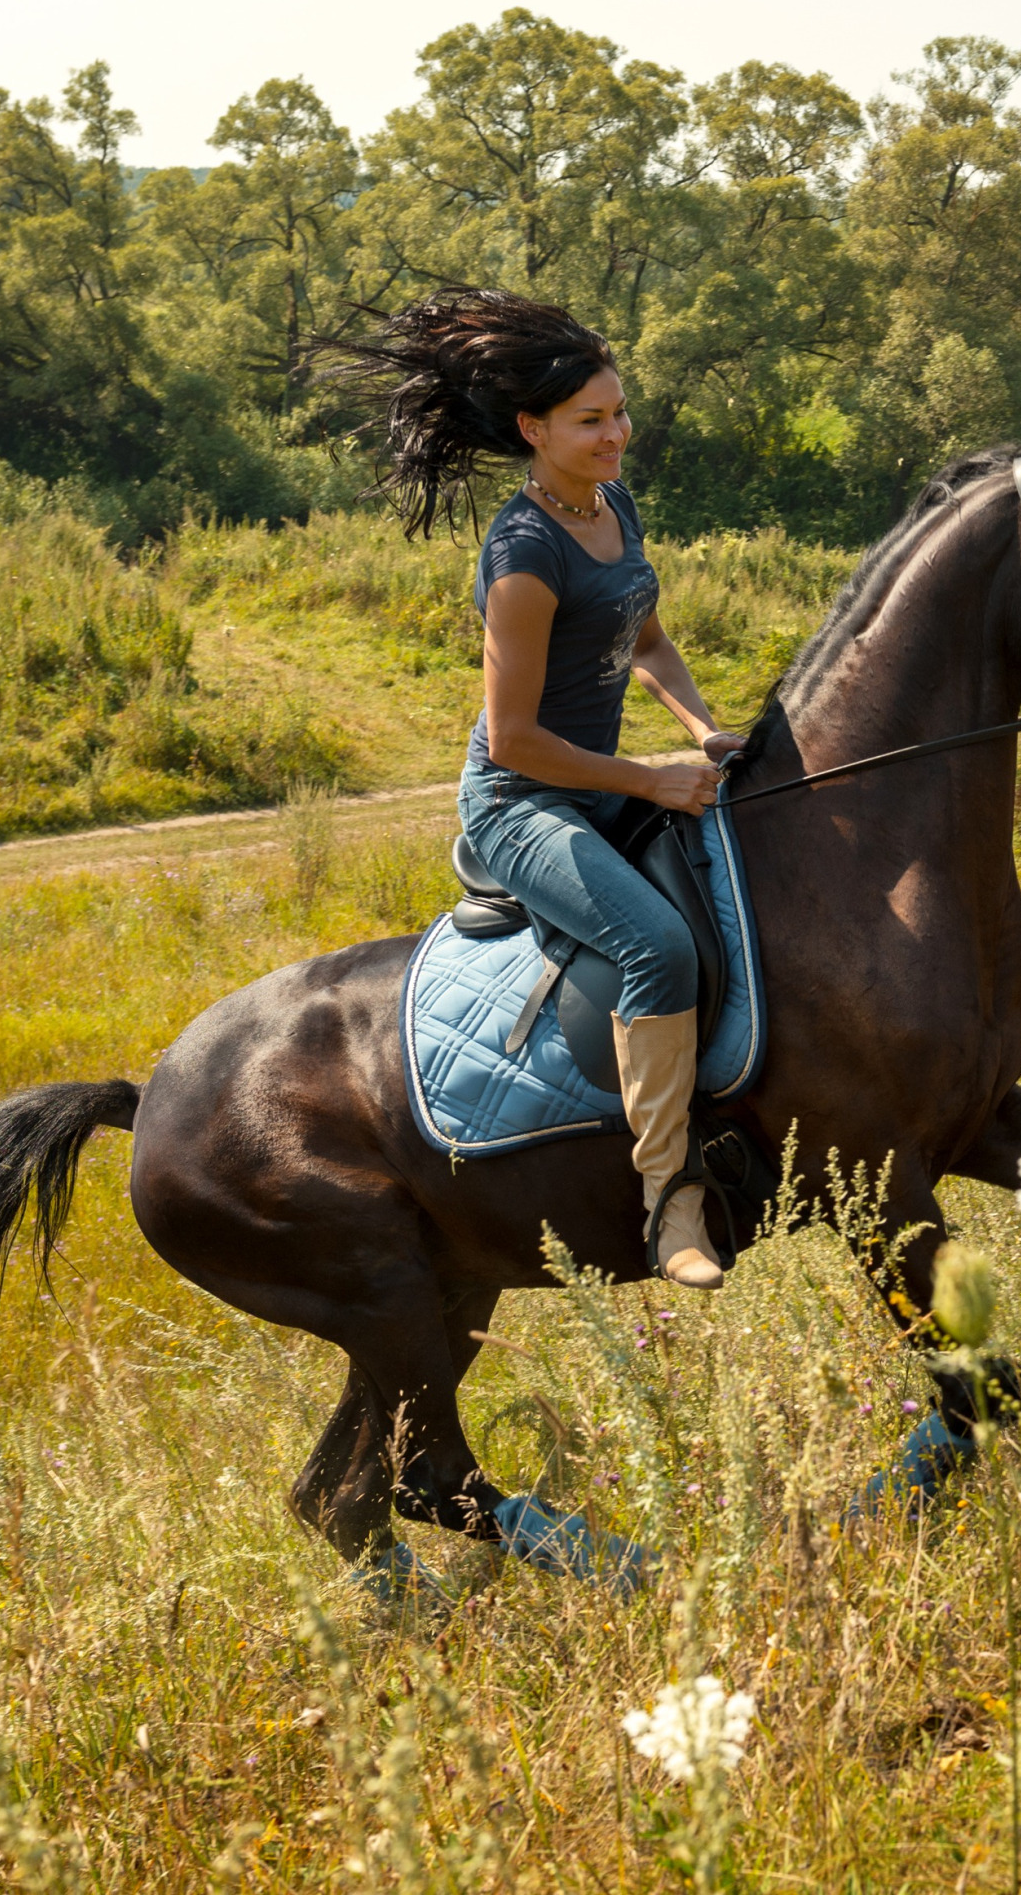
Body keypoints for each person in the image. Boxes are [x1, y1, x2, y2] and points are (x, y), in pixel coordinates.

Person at [320, 288, 738, 1290]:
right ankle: (669, 1201)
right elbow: (514, 740)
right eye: (591, 420)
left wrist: (703, 728)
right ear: (532, 429)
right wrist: (650, 778)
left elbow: (645, 638)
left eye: (619, 412)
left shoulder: (612, 507)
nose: (615, 433)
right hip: (520, 802)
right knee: (657, 943)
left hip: (596, 784)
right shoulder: (522, 555)